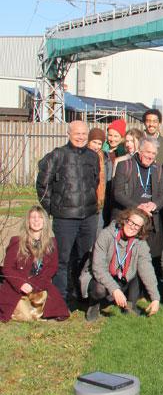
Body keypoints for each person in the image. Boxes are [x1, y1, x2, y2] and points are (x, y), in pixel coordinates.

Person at [36, 120, 100, 302]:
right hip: (64, 217)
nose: (80, 137)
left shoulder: (93, 157)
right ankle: (60, 298)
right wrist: (53, 208)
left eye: (83, 134)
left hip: (88, 216)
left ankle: (81, 293)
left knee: (85, 257)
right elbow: (42, 185)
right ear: (68, 134)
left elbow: (94, 183)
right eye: (77, 133)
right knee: (62, 258)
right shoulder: (57, 155)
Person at [82, 208, 160, 321]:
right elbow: (98, 268)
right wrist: (115, 290)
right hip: (98, 276)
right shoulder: (106, 235)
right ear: (124, 220)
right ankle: (94, 303)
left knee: (140, 271)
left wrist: (155, 298)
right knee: (99, 289)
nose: (133, 227)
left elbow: (147, 270)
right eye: (131, 222)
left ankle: (130, 304)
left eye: (137, 226)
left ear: (141, 229)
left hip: (122, 276)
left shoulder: (141, 244)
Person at [0, 206, 68, 322]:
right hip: (17, 285)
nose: (36, 220)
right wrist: (21, 284)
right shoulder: (17, 241)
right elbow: (7, 268)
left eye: (40, 217)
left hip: (40, 284)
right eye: (33, 217)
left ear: (44, 221)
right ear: (28, 221)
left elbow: (52, 268)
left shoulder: (51, 244)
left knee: (56, 306)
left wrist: (36, 284)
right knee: (18, 311)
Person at [112, 137, 163, 264]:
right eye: (148, 152)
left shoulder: (158, 169)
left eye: (154, 153)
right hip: (129, 220)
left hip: (150, 223)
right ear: (139, 151)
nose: (151, 156)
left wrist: (155, 205)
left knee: (149, 262)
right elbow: (118, 194)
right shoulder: (124, 165)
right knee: (128, 260)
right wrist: (138, 207)